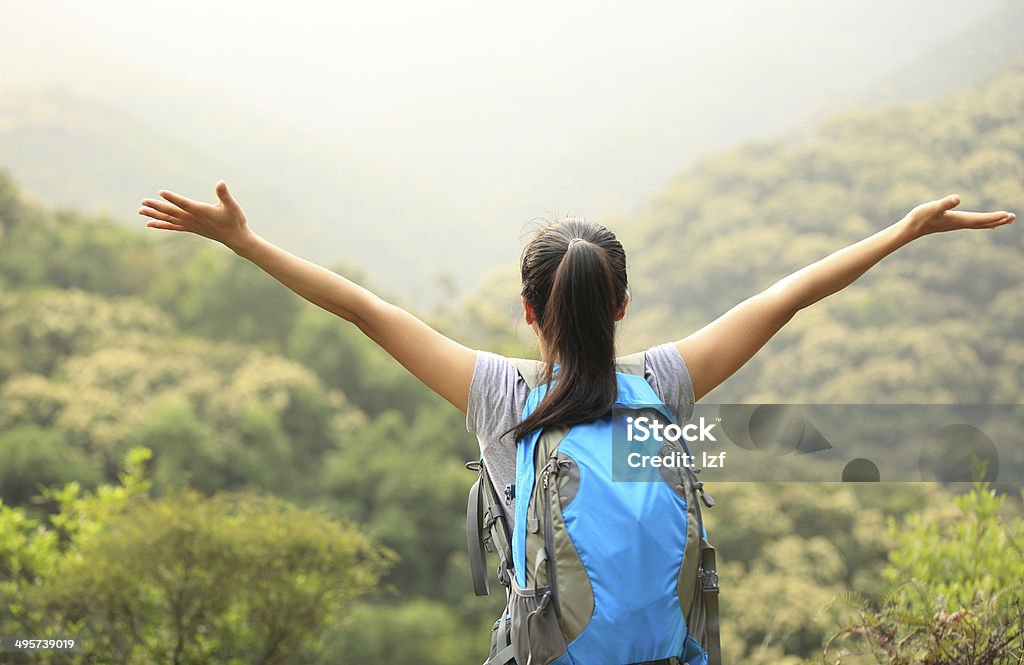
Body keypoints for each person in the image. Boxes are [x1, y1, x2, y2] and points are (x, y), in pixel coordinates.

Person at [137, 183, 1015, 517]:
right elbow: (789, 292)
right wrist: (901, 231)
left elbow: (362, 309)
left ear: (527, 312)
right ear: (624, 304)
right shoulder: (667, 381)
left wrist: (244, 242)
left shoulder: (494, 394)